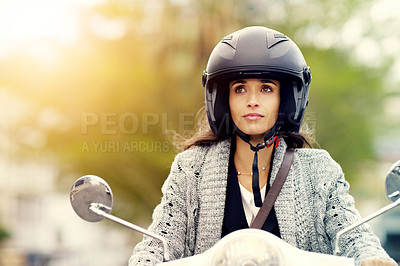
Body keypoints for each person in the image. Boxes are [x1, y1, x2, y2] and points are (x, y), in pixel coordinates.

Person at [129, 26, 396, 266]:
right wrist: (144, 261)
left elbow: (352, 234)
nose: (253, 100)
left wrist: (372, 259)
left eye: (266, 89)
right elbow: (160, 240)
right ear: (224, 100)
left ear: (287, 98)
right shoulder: (191, 169)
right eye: (240, 89)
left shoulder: (319, 170)